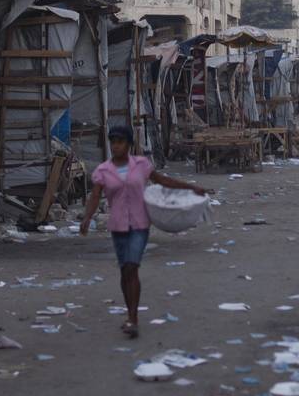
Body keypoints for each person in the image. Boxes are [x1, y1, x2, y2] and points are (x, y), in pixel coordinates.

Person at [79, 126, 208, 338]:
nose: (116, 146)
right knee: (124, 271)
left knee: (132, 266)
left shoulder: (141, 165)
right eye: (113, 142)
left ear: (129, 144)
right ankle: (130, 312)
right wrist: (87, 217)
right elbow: (95, 196)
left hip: (140, 224)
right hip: (118, 225)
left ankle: (133, 317)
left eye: (120, 141)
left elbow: (162, 180)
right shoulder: (103, 170)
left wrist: (190, 187)